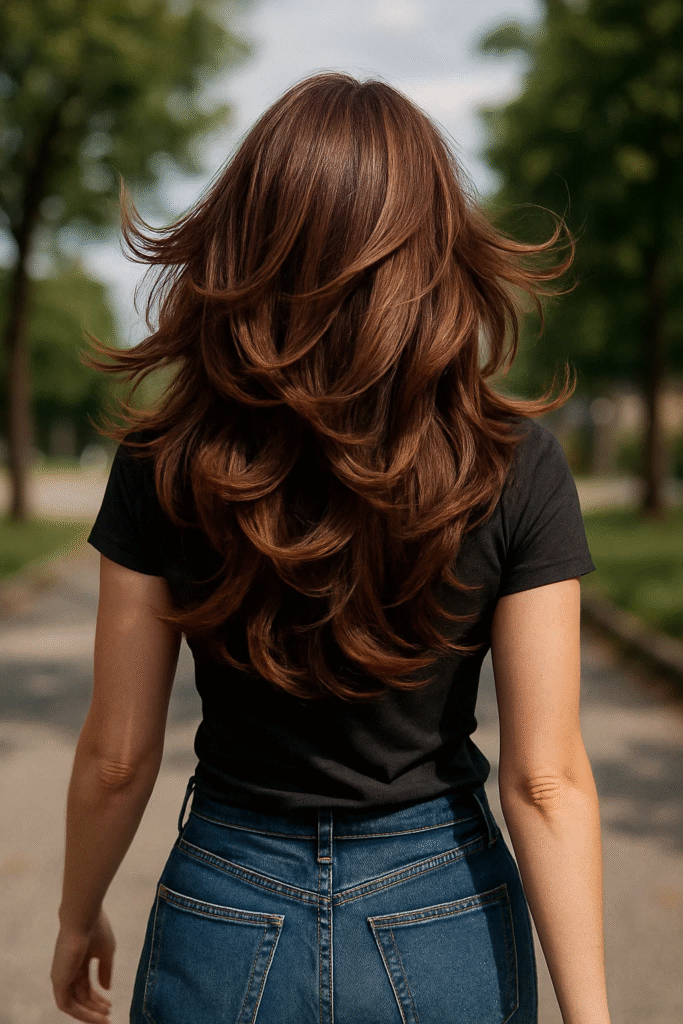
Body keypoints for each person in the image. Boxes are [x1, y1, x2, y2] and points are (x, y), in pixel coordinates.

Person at [50, 71, 611, 1024]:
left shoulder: (167, 459)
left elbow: (117, 755)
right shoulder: (513, 463)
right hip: (444, 915)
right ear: (436, 248)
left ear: (246, 237)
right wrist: (590, 1014)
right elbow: (544, 778)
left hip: (224, 902)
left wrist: (77, 915)